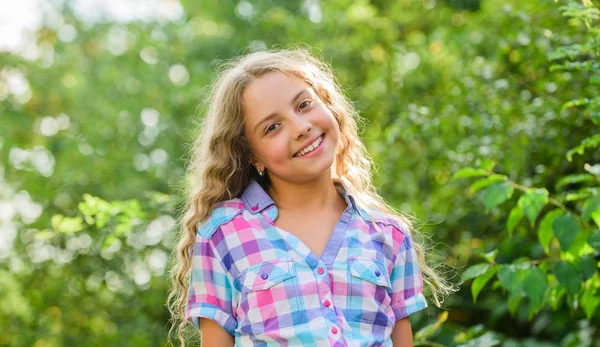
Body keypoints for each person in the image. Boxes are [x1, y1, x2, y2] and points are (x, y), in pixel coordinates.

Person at [167, 47, 454, 347]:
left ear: (328, 104)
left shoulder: (389, 235)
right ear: (252, 155)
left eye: (304, 105)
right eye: (272, 127)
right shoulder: (223, 234)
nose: (301, 127)